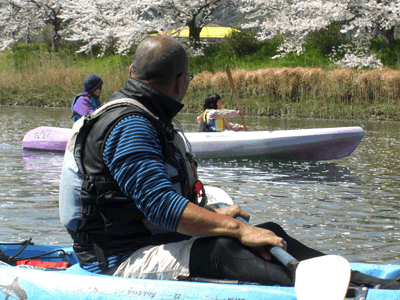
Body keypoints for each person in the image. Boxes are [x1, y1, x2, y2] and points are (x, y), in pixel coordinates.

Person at [58, 36, 399, 289]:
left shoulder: (146, 115)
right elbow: (160, 206)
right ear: (180, 82)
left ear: (132, 71)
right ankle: (348, 290)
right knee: (228, 246)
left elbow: (150, 208)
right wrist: (236, 228)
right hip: (119, 261)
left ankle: (363, 281)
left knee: (270, 233)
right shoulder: (130, 125)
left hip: (149, 240)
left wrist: (222, 219)